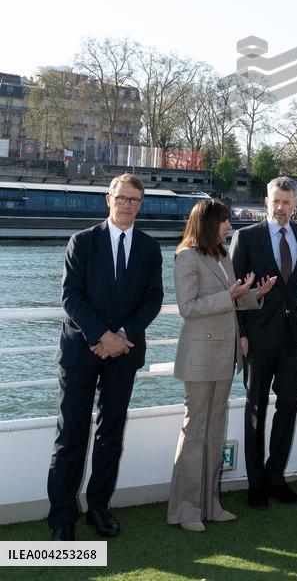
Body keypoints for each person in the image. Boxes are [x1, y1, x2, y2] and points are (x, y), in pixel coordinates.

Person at [47, 174, 163, 540]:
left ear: (141, 204)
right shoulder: (82, 242)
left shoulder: (148, 247)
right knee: (70, 435)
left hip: (123, 354)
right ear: (108, 199)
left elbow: (153, 298)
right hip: (81, 351)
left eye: (135, 200)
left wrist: (122, 336)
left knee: (110, 435)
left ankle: (99, 507)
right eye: (122, 198)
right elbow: (71, 296)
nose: (128, 205)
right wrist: (101, 336)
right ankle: (62, 518)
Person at [167, 199, 276, 531]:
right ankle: (185, 510)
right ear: (208, 223)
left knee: (215, 432)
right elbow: (188, 307)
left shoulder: (222, 255)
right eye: (225, 221)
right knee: (195, 431)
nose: (230, 226)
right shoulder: (186, 257)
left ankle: (210, 505)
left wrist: (256, 293)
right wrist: (230, 295)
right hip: (199, 358)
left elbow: (233, 299)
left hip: (225, 356)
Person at [230, 176, 297, 509]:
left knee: (289, 405)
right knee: (256, 409)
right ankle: (256, 484)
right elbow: (235, 289)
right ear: (266, 202)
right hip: (258, 335)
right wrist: (241, 333)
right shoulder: (246, 237)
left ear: (295, 205)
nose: (281, 208)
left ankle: (276, 478)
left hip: (292, 335)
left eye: (287, 202)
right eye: (276, 201)